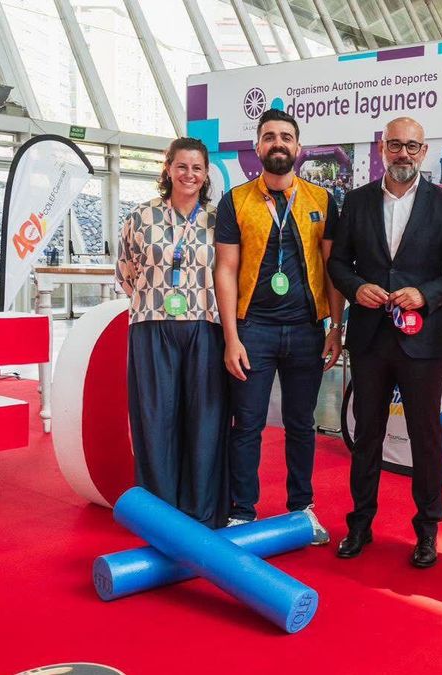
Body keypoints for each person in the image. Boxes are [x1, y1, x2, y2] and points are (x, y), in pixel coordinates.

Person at [328, 116, 442, 568]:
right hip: (371, 338)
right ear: (381, 149)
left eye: (412, 147)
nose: (403, 155)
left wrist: (427, 294)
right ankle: (359, 524)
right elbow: (337, 264)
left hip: (424, 342)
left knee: (425, 436)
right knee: (365, 433)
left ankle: (428, 530)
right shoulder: (354, 202)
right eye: (395, 145)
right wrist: (357, 287)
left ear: (425, 151)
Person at [214, 109, 343, 544]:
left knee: (302, 424)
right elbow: (225, 270)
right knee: (246, 423)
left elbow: (332, 268)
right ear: (257, 147)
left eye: (286, 137)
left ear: (298, 148)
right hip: (254, 331)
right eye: (269, 137)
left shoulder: (322, 200)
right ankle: (241, 512)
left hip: (307, 329)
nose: (278, 144)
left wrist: (336, 326)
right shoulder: (235, 200)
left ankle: (301, 510)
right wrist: (231, 336)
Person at [115, 136, 228, 526]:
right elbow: (126, 272)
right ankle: (159, 516)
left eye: (197, 168)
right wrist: (156, 298)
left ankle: (202, 511)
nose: (189, 175)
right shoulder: (140, 216)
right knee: (154, 418)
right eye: (181, 166)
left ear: (206, 173)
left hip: (205, 325)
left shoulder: (219, 220)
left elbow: (229, 275)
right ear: (168, 169)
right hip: (152, 325)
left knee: (205, 418)